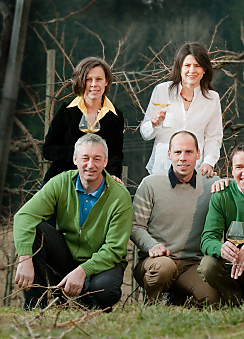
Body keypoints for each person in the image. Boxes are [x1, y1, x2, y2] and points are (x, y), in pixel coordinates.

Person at [14, 134, 133, 310]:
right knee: (36, 229)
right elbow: (24, 216)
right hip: (67, 256)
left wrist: (82, 271)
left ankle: (86, 299)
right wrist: (24, 257)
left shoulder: (120, 196)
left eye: (97, 159)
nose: (90, 165)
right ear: (75, 159)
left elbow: (115, 249)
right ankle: (34, 306)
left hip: (102, 263)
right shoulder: (61, 182)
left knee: (106, 292)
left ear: (105, 162)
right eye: (85, 158)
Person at [131, 131, 221, 306]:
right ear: (169, 154)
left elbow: (240, 185)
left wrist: (226, 183)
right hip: (156, 262)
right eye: (178, 152)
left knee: (213, 301)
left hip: (192, 264)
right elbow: (135, 227)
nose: (183, 158)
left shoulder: (211, 184)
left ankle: (179, 301)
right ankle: (152, 306)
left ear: (198, 154)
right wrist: (151, 246)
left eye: (189, 152)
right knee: (165, 268)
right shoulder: (150, 184)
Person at [199, 142, 244, 304]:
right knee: (208, 265)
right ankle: (235, 301)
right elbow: (207, 239)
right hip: (233, 266)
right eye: (239, 167)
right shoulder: (221, 194)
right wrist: (221, 248)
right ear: (231, 170)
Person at [140, 42, 223, 177]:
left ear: (205, 69)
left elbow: (214, 137)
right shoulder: (162, 91)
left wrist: (209, 162)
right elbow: (145, 133)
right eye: (187, 65)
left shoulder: (212, 98)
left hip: (195, 171)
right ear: (179, 68)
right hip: (161, 169)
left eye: (197, 66)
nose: (192, 70)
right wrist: (154, 124)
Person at [43, 57, 124, 183]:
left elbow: (115, 153)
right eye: (88, 79)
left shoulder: (115, 116)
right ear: (81, 82)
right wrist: (78, 153)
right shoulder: (66, 110)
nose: (93, 84)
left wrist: (113, 174)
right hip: (61, 180)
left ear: (106, 81)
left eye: (99, 79)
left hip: (95, 182)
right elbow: (48, 150)